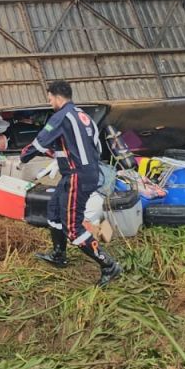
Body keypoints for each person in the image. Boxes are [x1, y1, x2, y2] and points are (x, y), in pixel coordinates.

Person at [22, 80, 123, 287]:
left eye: (49, 98)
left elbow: (40, 141)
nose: (49, 102)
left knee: (73, 228)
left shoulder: (61, 116)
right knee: (54, 209)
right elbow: (92, 147)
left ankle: (108, 265)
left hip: (78, 175)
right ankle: (59, 255)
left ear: (58, 97)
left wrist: (24, 156)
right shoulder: (84, 117)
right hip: (83, 172)